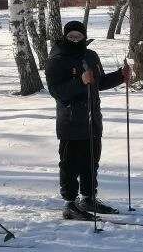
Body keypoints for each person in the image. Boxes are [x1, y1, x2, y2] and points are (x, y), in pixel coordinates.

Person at [45, 20, 131, 220]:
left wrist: (121, 76)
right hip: (70, 121)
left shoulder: (90, 55)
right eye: (71, 36)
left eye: (78, 36)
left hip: (93, 119)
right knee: (70, 164)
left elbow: (99, 82)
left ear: (84, 37)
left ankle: (88, 198)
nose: (75, 40)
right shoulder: (56, 59)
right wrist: (80, 81)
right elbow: (57, 92)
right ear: (65, 37)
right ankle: (70, 203)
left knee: (91, 161)